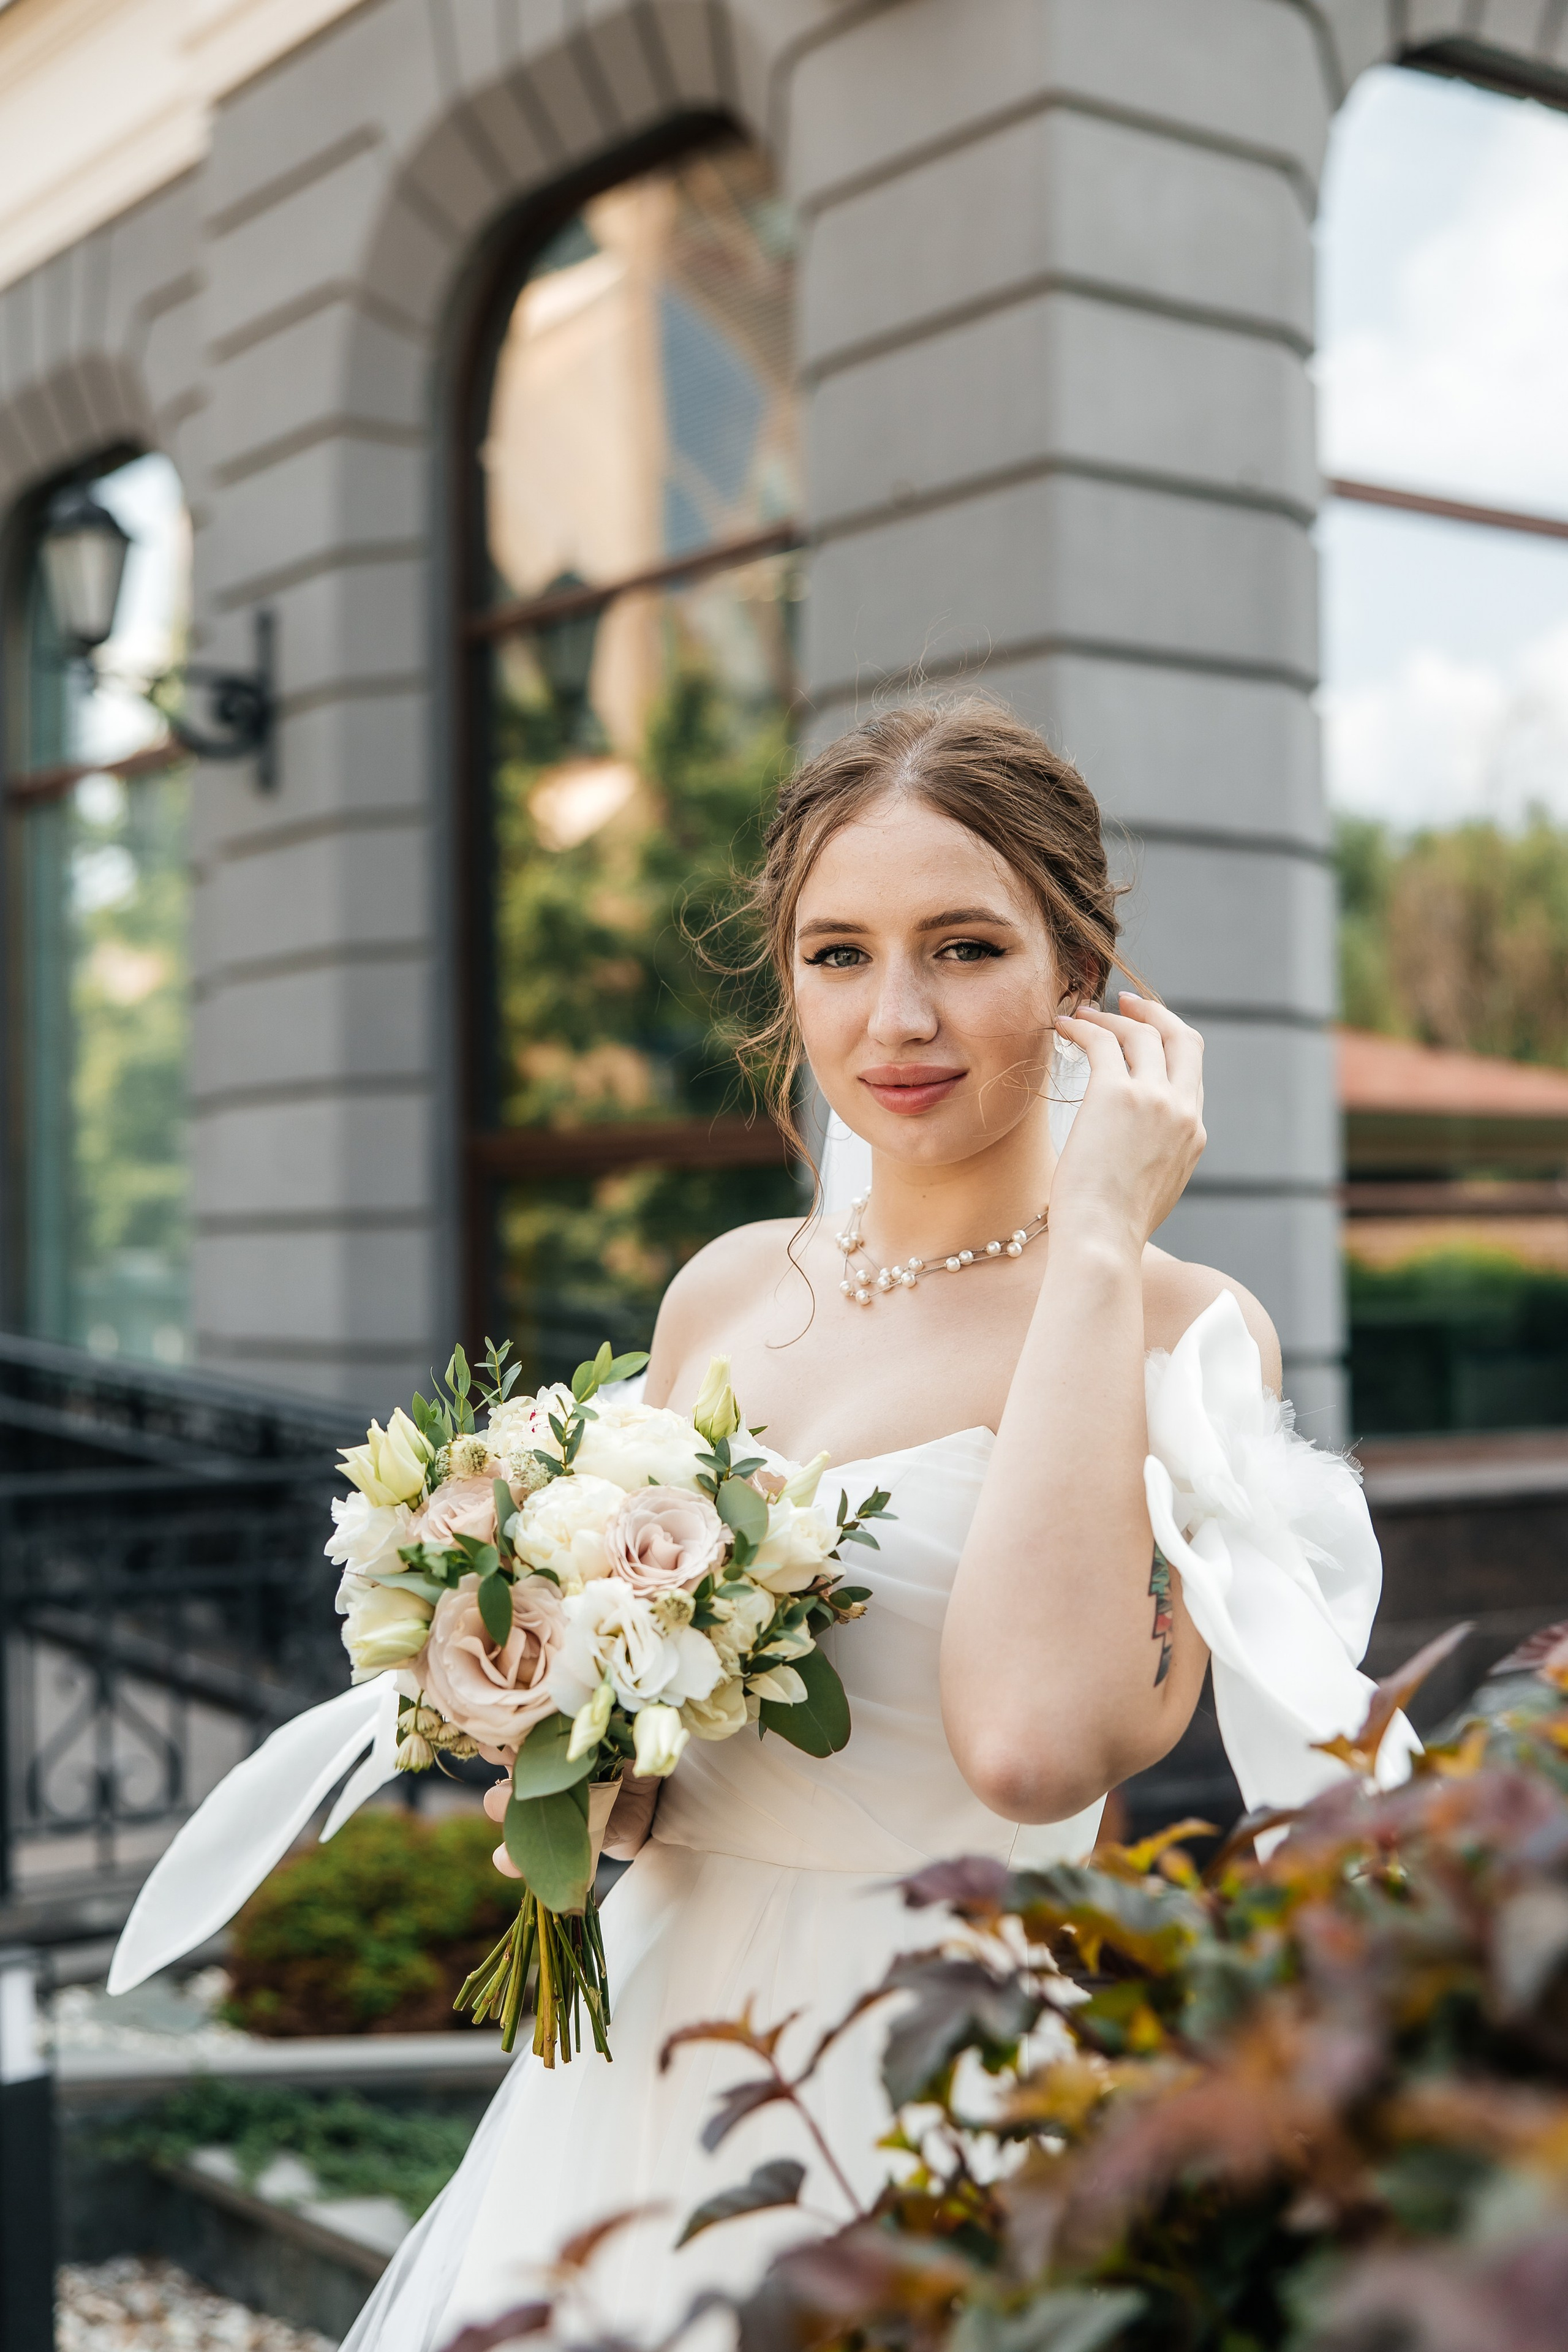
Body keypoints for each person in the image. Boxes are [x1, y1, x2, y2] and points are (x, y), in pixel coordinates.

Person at [148, 700, 1410, 2349]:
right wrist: (532, 1695)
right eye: (839, 954)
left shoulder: (1181, 1332)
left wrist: (1096, 1243)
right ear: (786, 981)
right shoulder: (730, 1289)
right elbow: (629, 1813)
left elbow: (1034, 1751)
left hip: (925, 2090)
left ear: (1083, 978)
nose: (897, 1016)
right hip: (633, 2071)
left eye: (965, 947)